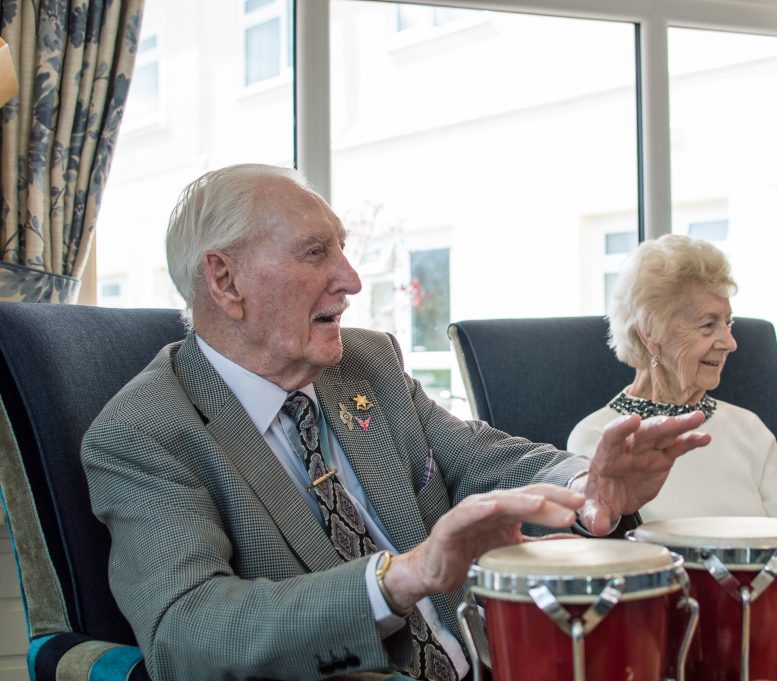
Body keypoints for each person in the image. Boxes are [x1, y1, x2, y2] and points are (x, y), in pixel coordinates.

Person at [80, 164, 710, 681]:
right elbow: (186, 636)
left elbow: (481, 456)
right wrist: (402, 577)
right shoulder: (145, 432)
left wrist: (589, 483)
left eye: (343, 252)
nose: (350, 280)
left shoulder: (366, 362)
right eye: (315, 253)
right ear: (224, 279)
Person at [567, 234, 777, 681]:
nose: (730, 342)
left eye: (728, 323)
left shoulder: (749, 429)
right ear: (649, 335)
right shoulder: (600, 438)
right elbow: (611, 577)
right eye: (708, 325)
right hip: (676, 631)